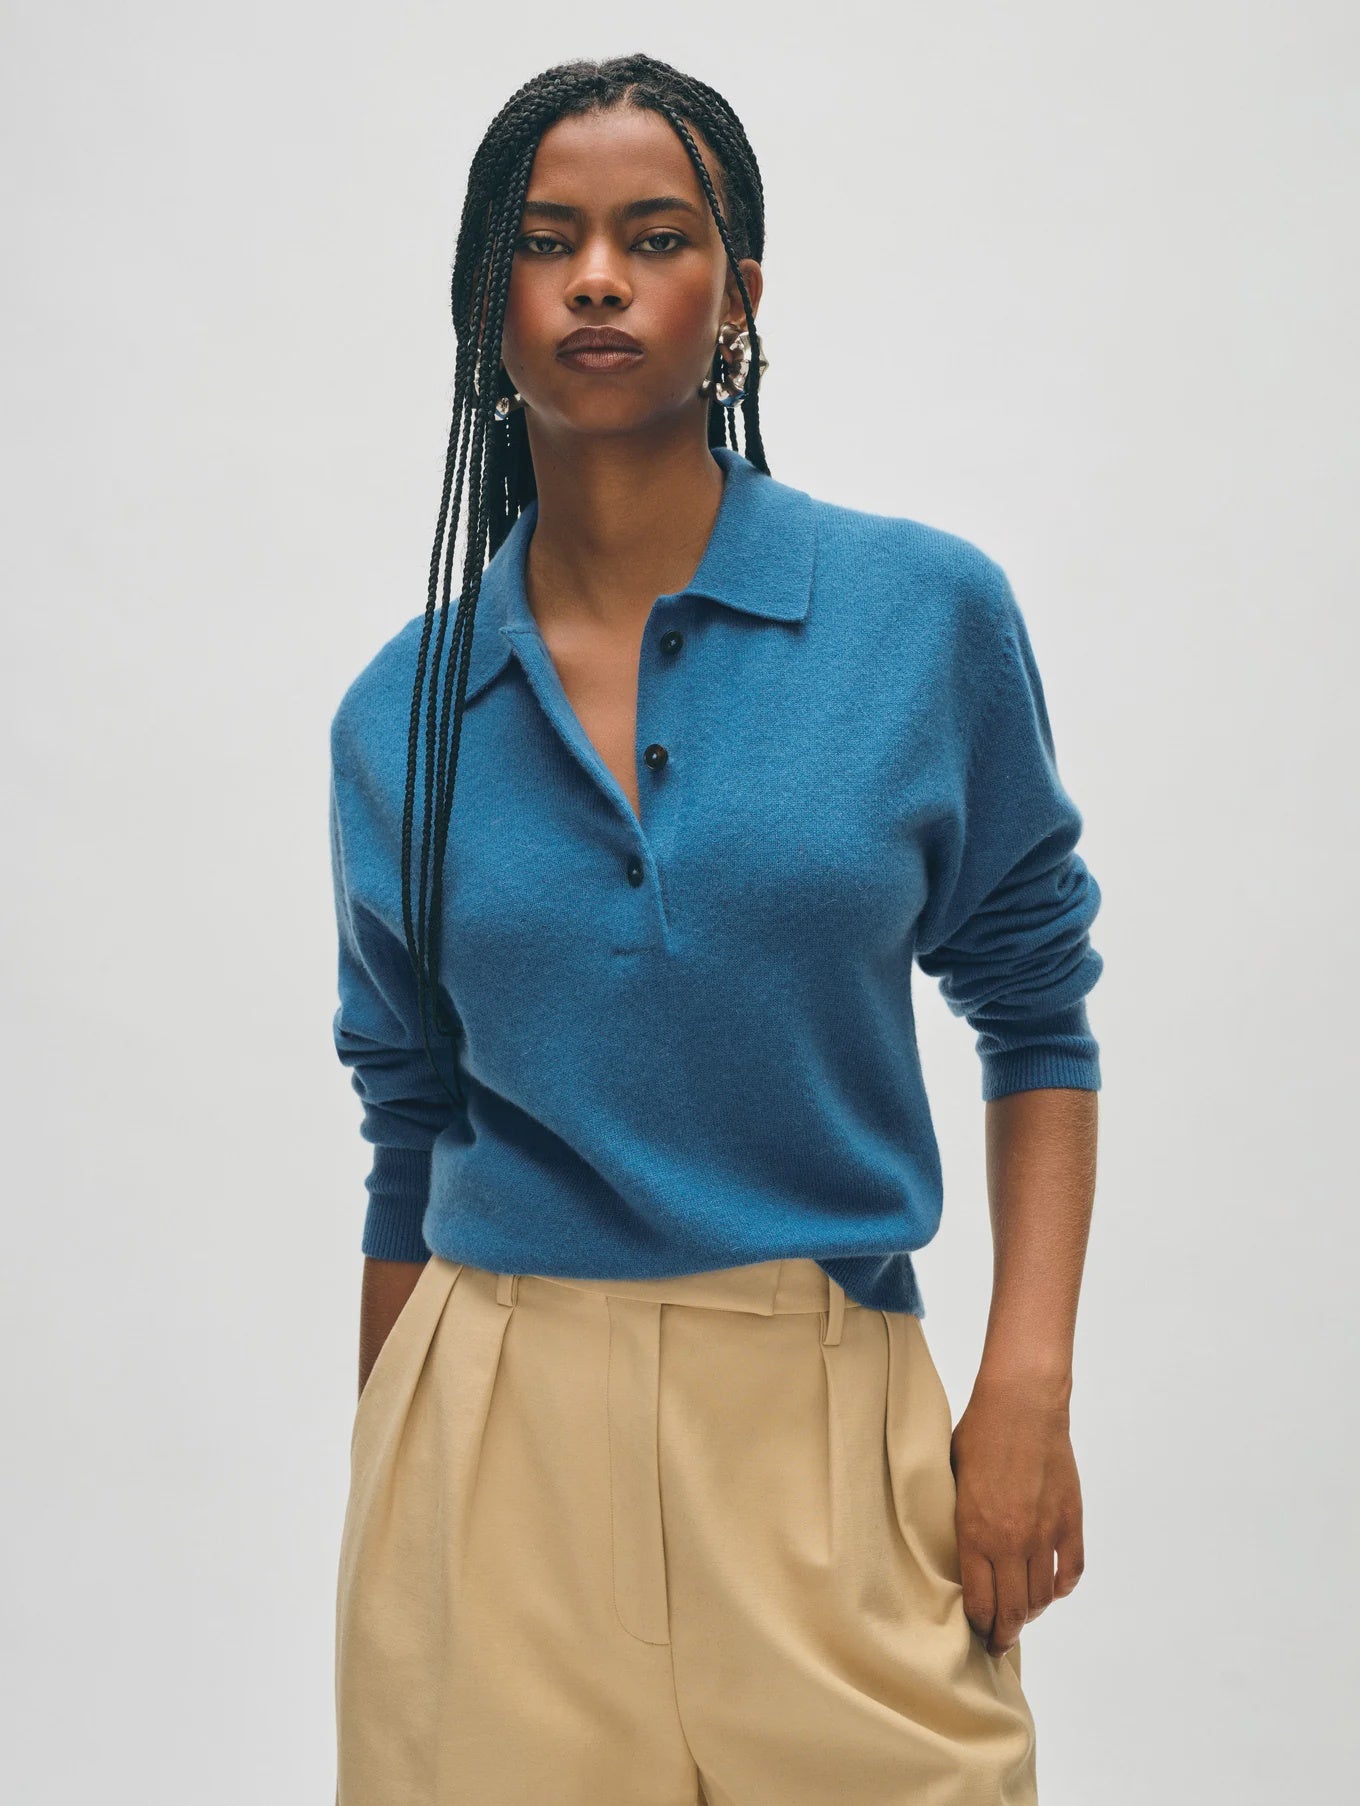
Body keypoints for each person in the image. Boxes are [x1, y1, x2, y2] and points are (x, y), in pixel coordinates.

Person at [327, 51, 1102, 1806]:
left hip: (825, 1426)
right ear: (489, 300)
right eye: (546, 240)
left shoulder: (921, 618)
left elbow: (1038, 1004)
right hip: (493, 1448)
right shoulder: (404, 713)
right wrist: (391, 1464)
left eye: (654, 235)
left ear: (736, 296)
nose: (598, 275)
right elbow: (409, 1113)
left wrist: (1026, 1384)